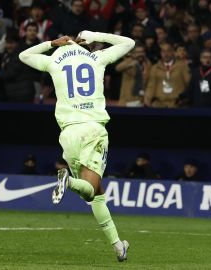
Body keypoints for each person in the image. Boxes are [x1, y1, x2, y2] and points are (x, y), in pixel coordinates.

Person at [19, 30, 134, 262]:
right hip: (93, 129)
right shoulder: (97, 58)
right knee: (91, 189)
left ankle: (118, 246)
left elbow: (24, 55)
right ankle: (68, 181)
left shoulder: (53, 62)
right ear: (82, 44)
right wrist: (93, 35)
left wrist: (51, 43)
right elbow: (128, 43)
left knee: (95, 195)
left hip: (68, 133)